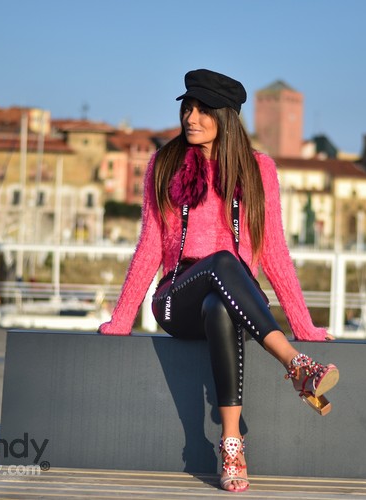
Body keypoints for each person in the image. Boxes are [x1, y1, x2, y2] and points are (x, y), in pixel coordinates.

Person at [98, 68, 339, 492]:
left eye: (202, 110)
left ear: (225, 116)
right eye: (187, 108)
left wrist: (305, 324)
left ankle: (231, 445)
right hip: (176, 298)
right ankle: (295, 364)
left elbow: (274, 250)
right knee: (223, 262)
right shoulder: (164, 164)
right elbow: (150, 246)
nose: (190, 118)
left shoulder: (259, 169)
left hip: (234, 301)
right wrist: (122, 319)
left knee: (221, 304)